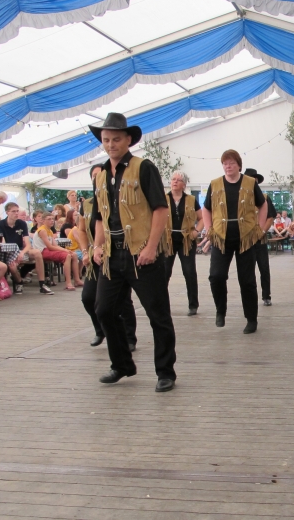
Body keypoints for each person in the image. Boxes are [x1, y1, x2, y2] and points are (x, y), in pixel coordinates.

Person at [90, 112, 177, 393]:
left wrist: (151, 247)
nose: (111, 144)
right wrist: (96, 246)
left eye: (116, 139)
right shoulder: (101, 175)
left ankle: (165, 371)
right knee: (104, 310)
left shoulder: (144, 168)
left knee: (157, 314)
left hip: (141, 252)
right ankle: (122, 364)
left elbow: (160, 209)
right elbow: (100, 216)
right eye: (106, 140)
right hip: (112, 254)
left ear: (128, 140)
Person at [202, 151, 268, 333]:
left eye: (231, 163)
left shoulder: (250, 183)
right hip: (221, 238)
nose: (228, 166)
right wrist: (209, 229)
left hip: (245, 239)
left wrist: (260, 228)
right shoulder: (215, 184)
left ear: (239, 165)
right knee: (216, 276)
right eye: (225, 163)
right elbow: (206, 209)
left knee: (247, 281)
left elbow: (263, 205)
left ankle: (251, 319)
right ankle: (220, 310)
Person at [76, 164, 137, 351]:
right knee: (88, 297)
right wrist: (85, 251)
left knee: (122, 299)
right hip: (95, 255)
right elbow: (81, 230)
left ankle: (129, 337)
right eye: (94, 176)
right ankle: (100, 329)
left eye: (100, 175)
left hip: (116, 254)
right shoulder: (87, 204)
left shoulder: (118, 198)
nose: (97, 179)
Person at [163, 170, 202, 316]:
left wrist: (196, 231)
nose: (175, 182)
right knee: (164, 272)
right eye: (173, 179)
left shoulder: (191, 200)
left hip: (186, 240)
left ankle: (193, 305)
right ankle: (162, 305)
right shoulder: (163, 198)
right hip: (168, 240)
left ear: (184, 185)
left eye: (178, 180)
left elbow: (202, 218)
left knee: (189, 271)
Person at [0, 202, 53, 295]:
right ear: (7, 212)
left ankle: (42, 284)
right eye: (13, 211)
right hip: (8, 251)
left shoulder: (22, 224)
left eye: (17, 211)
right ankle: (19, 282)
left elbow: (27, 244)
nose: (16, 213)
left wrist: (22, 252)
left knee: (37, 253)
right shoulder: (0, 224)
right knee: (12, 267)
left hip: (21, 249)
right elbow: (2, 243)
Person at [245, 167, 274, 308]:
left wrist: (262, 231)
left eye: (254, 180)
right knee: (247, 271)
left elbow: (270, 217)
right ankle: (249, 297)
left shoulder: (265, 198)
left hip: (260, 239)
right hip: (246, 240)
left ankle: (266, 296)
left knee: (264, 268)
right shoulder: (241, 198)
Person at [33, 214, 82, 290]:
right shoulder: (42, 230)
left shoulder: (50, 231)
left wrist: (66, 250)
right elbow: (49, 247)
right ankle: (68, 283)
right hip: (42, 251)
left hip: (49, 250)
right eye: (49, 219)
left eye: (52, 219)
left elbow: (55, 245)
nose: (52, 221)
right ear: (43, 221)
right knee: (67, 256)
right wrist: (65, 250)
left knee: (74, 254)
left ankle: (77, 280)